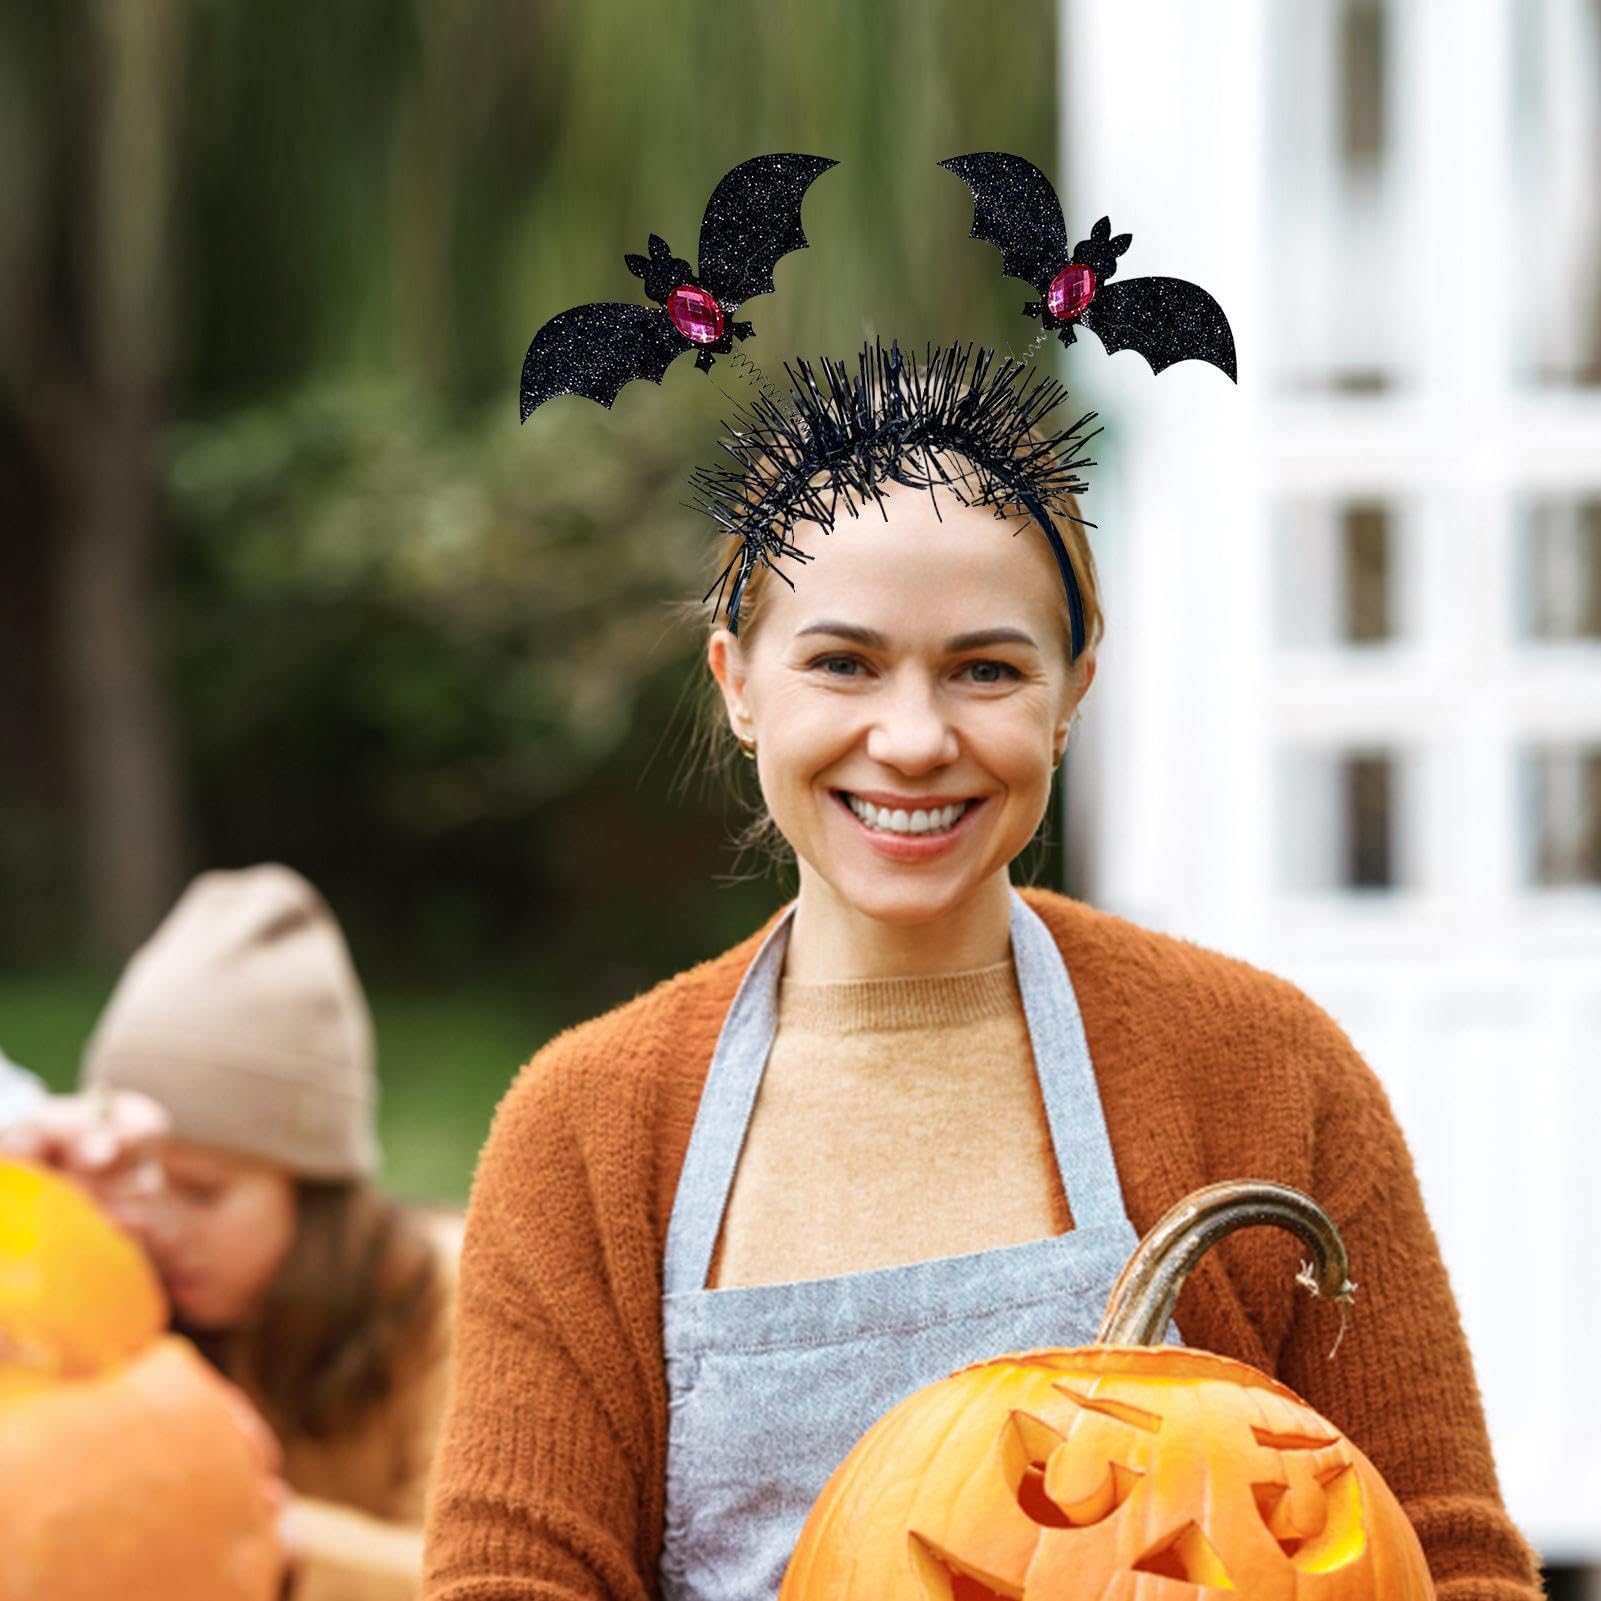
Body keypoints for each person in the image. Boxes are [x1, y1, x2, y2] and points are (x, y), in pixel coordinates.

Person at [422, 160, 1540, 1600]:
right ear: (738, 683)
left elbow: (1446, 1563)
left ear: (1072, 688)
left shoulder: (1264, 1072)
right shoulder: (585, 1134)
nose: (912, 737)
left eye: (985, 670)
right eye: (841, 661)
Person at [8, 864, 459, 1601]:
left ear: (313, 1189)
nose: (155, 1223)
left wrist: (270, 1535)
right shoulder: (114, 1315)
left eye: (201, 1190)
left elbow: (494, 1576)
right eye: (134, 1176)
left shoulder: (456, 1301)